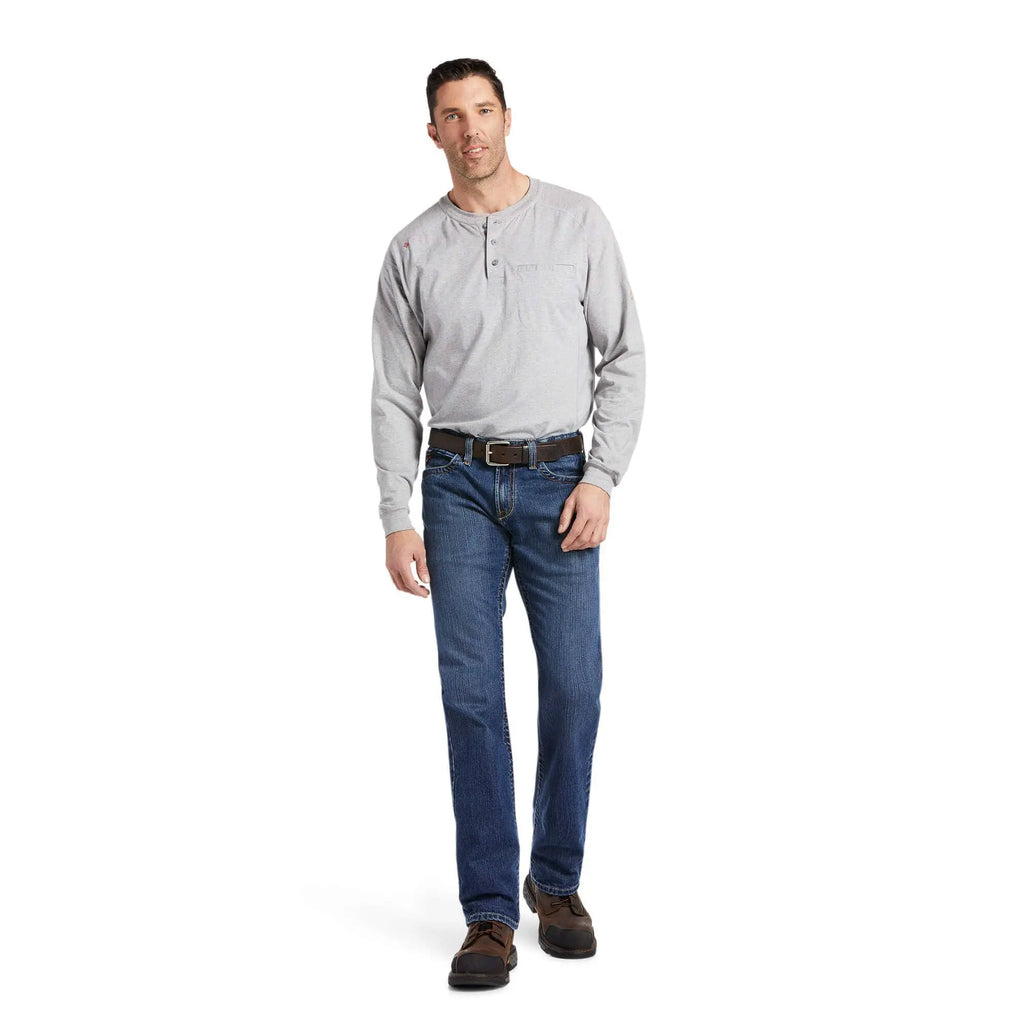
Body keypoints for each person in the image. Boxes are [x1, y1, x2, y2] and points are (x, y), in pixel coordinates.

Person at [369, 57, 645, 988]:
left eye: (483, 110)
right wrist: (395, 513)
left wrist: (602, 476)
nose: (471, 129)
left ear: (508, 117)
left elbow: (625, 354)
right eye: (453, 116)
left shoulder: (576, 222)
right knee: (472, 697)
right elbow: (392, 393)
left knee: (574, 685)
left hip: (559, 479)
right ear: (433, 133)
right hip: (454, 486)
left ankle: (555, 882)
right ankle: (488, 910)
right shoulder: (412, 250)